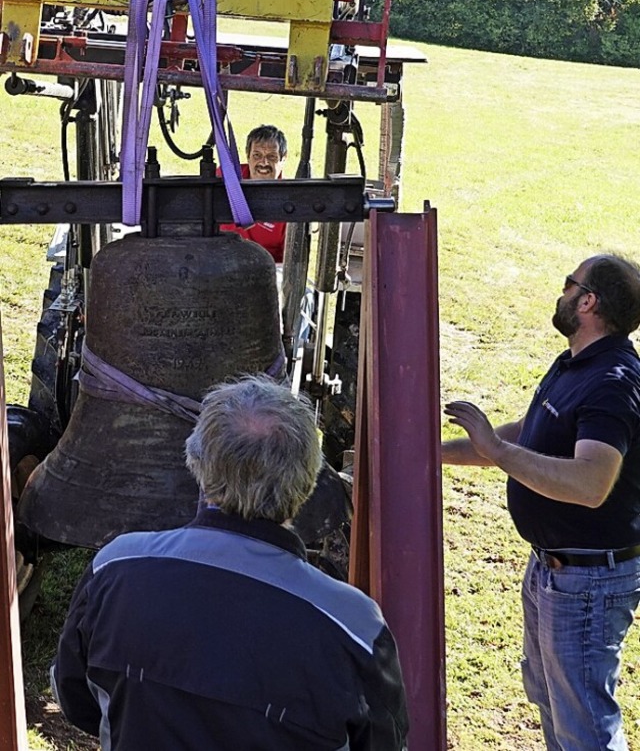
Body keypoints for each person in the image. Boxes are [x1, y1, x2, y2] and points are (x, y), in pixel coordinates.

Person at [51, 374, 409, 750]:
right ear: (307, 481)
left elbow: (77, 701)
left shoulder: (114, 569)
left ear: (197, 463)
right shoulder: (354, 627)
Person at [442, 253, 640, 751]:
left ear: (588, 301)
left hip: (587, 582)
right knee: (551, 701)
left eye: (568, 285)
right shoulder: (575, 361)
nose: (562, 293)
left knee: (585, 727)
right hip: (552, 570)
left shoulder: (614, 384)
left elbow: (590, 484)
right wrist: (437, 453)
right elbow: (532, 434)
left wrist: (498, 450)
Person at [219, 124, 288, 262]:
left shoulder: (290, 202)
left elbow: (290, 262)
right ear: (248, 155)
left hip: (265, 274)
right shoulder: (225, 176)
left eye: (272, 157)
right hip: (220, 263)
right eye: (257, 155)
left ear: (283, 159)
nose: (264, 162)